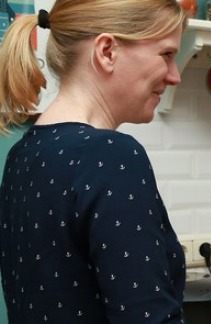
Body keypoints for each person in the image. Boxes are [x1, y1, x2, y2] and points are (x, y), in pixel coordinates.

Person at [0, 0, 188, 322]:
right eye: (167, 55)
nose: (175, 76)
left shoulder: (22, 154)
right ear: (107, 51)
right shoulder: (111, 156)